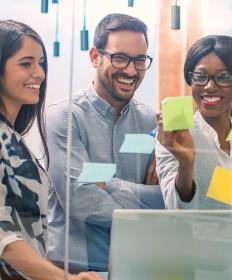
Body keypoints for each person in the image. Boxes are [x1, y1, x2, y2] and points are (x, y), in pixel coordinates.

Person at [46, 13, 164, 272]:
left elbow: (167, 198)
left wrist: (108, 186)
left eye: (140, 60)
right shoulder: (65, 116)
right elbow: (79, 198)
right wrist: (144, 211)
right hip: (73, 271)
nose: (131, 70)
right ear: (94, 57)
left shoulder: (152, 122)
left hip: (135, 267)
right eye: (120, 57)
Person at [155, 35, 232, 276]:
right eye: (200, 76)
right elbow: (176, 211)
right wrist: (186, 163)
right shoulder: (175, 134)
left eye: (223, 77)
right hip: (195, 270)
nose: (209, 85)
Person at [0, 20, 102, 280]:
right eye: (26, 63)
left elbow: (29, 233)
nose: (39, 73)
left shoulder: (13, 137)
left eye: (41, 63)